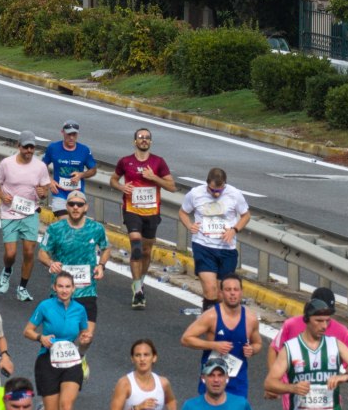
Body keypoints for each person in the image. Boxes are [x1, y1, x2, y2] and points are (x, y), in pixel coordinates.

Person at [109, 126, 175, 310]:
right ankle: (138, 290)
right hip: (132, 210)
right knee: (136, 247)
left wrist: (154, 177)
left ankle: (139, 281)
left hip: (152, 212)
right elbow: (113, 180)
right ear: (135, 141)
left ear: (151, 142)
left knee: (146, 251)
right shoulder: (125, 161)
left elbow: (172, 186)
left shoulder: (158, 162)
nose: (144, 140)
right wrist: (122, 187)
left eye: (147, 137)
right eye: (140, 137)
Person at [264, 297, 348, 410]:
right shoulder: (290, 348)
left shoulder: (335, 344)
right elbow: (269, 383)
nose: (324, 326)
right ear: (306, 320)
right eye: (319, 321)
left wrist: (344, 377)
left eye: (327, 321)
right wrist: (293, 388)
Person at [38, 191, 107, 357]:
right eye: (72, 204)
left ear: (86, 207)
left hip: (87, 290)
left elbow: (105, 248)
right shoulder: (55, 229)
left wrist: (101, 265)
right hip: (61, 291)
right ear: (67, 207)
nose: (75, 207)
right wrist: (51, 263)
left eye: (79, 204)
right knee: (61, 336)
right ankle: (59, 364)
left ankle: (80, 356)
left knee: (86, 338)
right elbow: (42, 253)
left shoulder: (96, 228)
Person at [0, 131, 51, 301]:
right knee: (11, 254)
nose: (29, 150)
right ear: (19, 146)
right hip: (9, 213)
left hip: (30, 213)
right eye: (26, 147)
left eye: (32, 147)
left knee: (29, 252)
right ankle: (7, 270)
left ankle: (22, 288)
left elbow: (45, 189)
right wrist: (2, 196)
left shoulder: (40, 167)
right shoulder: (7, 164)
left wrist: (43, 192)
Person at [180, 275, 262, 399]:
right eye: (228, 290)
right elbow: (186, 339)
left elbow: (258, 344)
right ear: (221, 293)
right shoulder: (211, 316)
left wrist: (252, 349)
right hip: (213, 378)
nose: (232, 293)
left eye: (236, 289)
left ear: (241, 292)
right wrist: (213, 345)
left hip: (237, 380)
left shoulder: (250, 319)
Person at [179, 168, 251, 308]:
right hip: (203, 246)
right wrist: (189, 225)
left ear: (225, 184)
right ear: (207, 184)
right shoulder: (195, 194)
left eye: (220, 190)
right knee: (210, 290)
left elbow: (246, 216)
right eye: (212, 190)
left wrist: (234, 230)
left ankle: (219, 324)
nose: (216, 193)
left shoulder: (234, 194)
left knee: (221, 294)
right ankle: (209, 325)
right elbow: (183, 212)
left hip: (226, 249)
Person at [24, 271, 91, 410]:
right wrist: (40, 338)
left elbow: (84, 336)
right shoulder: (45, 306)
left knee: (66, 406)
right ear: (54, 287)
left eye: (67, 287)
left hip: (71, 360)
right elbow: (27, 331)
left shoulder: (80, 310)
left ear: (73, 288)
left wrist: (85, 341)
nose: (64, 290)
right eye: (60, 286)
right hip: (47, 359)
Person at [42, 122, 96, 217]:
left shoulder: (84, 150)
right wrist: (49, 180)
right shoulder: (53, 148)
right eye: (69, 134)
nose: (71, 137)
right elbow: (42, 165)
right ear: (63, 132)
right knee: (65, 223)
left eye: (74, 134)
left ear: (77, 134)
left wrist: (81, 175)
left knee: (75, 227)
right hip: (59, 194)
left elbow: (93, 170)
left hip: (77, 196)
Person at [110, 339, 177, 410]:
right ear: (132, 359)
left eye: (146, 355)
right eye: (138, 355)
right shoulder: (124, 384)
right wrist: (137, 408)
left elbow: (171, 401)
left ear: (154, 358)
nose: (142, 359)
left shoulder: (163, 383)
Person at [181, 357, 249, 410]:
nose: (216, 380)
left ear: (227, 378)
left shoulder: (241, 405)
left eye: (220, 375)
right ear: (203, 378)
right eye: (211, 375)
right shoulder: (190, 407)